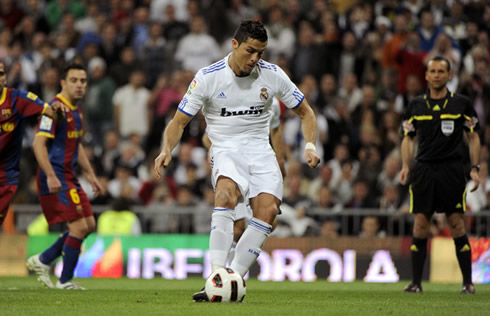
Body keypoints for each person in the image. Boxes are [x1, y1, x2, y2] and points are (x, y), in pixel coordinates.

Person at [154, 20, 320, 302]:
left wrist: (310, 145)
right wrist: (166, 150)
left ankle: (232, 277)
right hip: (226, 148)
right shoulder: (208, 77)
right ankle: (216, 275)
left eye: (261, 53)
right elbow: (179, 122)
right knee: (225, 194)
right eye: (250, 50)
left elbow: (306, 112)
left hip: (260, 150)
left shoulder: (273, 75)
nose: (255, 58)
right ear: (234, 44)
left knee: (267, 212)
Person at [400, 56, 480, 294]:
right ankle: (416, 283)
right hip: (423, 170)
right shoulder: (415, 105)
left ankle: (467, 283)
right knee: (421, 225)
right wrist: (406, 165)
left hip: (451, 170)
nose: (436, 75)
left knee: (456, 223)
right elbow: (408, 138)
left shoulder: (461, 104)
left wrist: (475, 168)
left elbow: (474, 136)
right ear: (426, 75)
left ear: (449, 75)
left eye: (440, 71)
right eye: (432, 71)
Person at [26, 63, 104, 290]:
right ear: (63, 83)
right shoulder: (54, 108)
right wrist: (50, 174)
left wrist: (91, 174)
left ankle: (42, 260)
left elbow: (76, 145)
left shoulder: (76, 110)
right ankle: (64, 280)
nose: (79, 85)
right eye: (74, 80)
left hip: (69, 175)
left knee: (89, 224)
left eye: (83, 81)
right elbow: (38, 143)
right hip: (56, 175)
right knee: (79, 226)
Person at [0, 60, 68, 226]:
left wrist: (58, 111)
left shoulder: (17, 99)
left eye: (1, 73)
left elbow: (51, 113)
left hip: (4, 176)